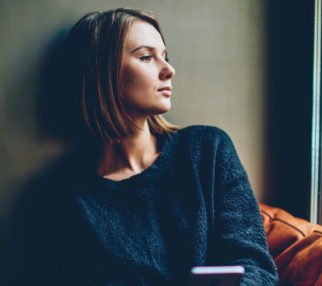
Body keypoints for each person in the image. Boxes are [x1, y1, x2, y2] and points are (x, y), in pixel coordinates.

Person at [2, 8, 277, 286]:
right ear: (102, 72)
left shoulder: (207, 151)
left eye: (165, 57)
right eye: (146, 57)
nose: (169, 70)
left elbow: (257, 269)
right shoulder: (62, 198)